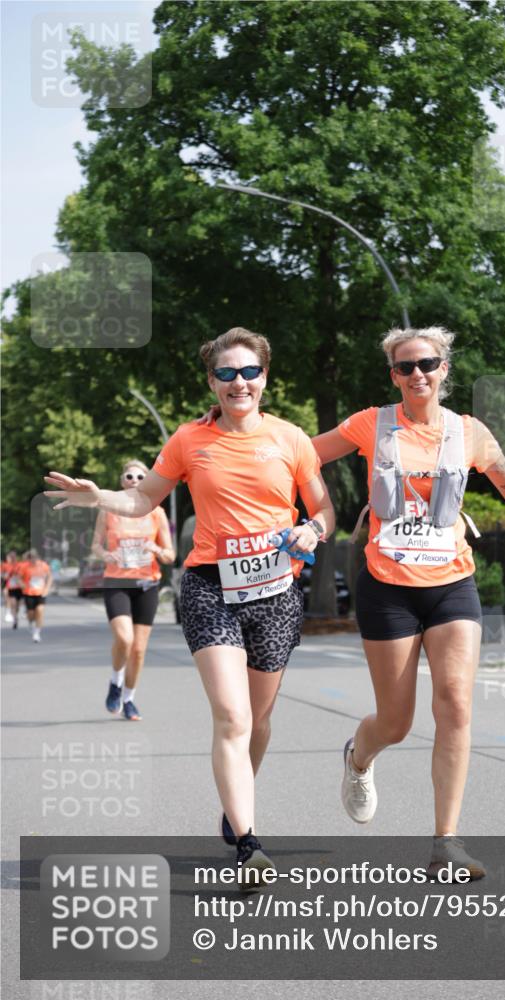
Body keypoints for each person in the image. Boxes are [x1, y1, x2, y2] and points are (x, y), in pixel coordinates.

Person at [45, 326, 335, 882]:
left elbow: (324, 511)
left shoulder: (291, 439)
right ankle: (249, 842)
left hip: (276, 591)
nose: (238, 382)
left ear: (264, 378)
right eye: (226, 373)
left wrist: (311, 532)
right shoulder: (189, 439)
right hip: (209, 587)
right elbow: (143, 497)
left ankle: (236, 800)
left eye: (249, 371)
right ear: (212, 380)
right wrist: (97, 496)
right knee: (231, 715)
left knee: (259, 719)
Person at [311, 326, 505, 879]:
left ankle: (446, 842)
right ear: (394, 375)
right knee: (396, 721)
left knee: (455, 704)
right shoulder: (370, 423)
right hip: (387, 585)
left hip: (452, 581)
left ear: (443, 370)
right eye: (406, 367)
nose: (417, 374)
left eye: (427, 364)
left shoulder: (469, 432)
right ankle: (358, 757)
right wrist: (309, 511)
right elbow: (300, 457)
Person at [90, 460, 175, 722]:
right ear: (122, 480)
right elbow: (95, 546)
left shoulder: (156, 513)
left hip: (147, 583)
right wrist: (107, 554)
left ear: (147, 480)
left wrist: (157, 550)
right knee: (124, 639)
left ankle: (128, 699)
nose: (135, 479)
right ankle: (115, 682)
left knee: (138, 650)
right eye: (130, 475)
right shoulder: (108, 511)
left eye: (141, 476)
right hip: (117, 582)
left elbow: (171, 555)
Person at [20, 549, 53, 643]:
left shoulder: (43, 566)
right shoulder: (25, 567)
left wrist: (47, 588)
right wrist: (22, 584)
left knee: (40, 611)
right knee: (30, 614)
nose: (33, 560)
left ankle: (37, 633)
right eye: (31, 558)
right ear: (29, 559)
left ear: (37, 557)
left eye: (35, 558)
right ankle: (30, 622)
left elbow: (50, 577)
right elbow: (19, 577)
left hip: (41, 593)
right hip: (28, 593)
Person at [3, 551, 25, 628]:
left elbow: (24, 575)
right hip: (11, 587)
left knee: (18, 606)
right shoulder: (6, 566)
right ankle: (15, 619)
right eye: (11, 557)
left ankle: (15, 615)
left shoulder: (20, 565)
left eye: (13, 557)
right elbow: (4, 577)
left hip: (20, 588)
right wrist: (8, 574)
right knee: (13, 604)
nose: (12, 559)